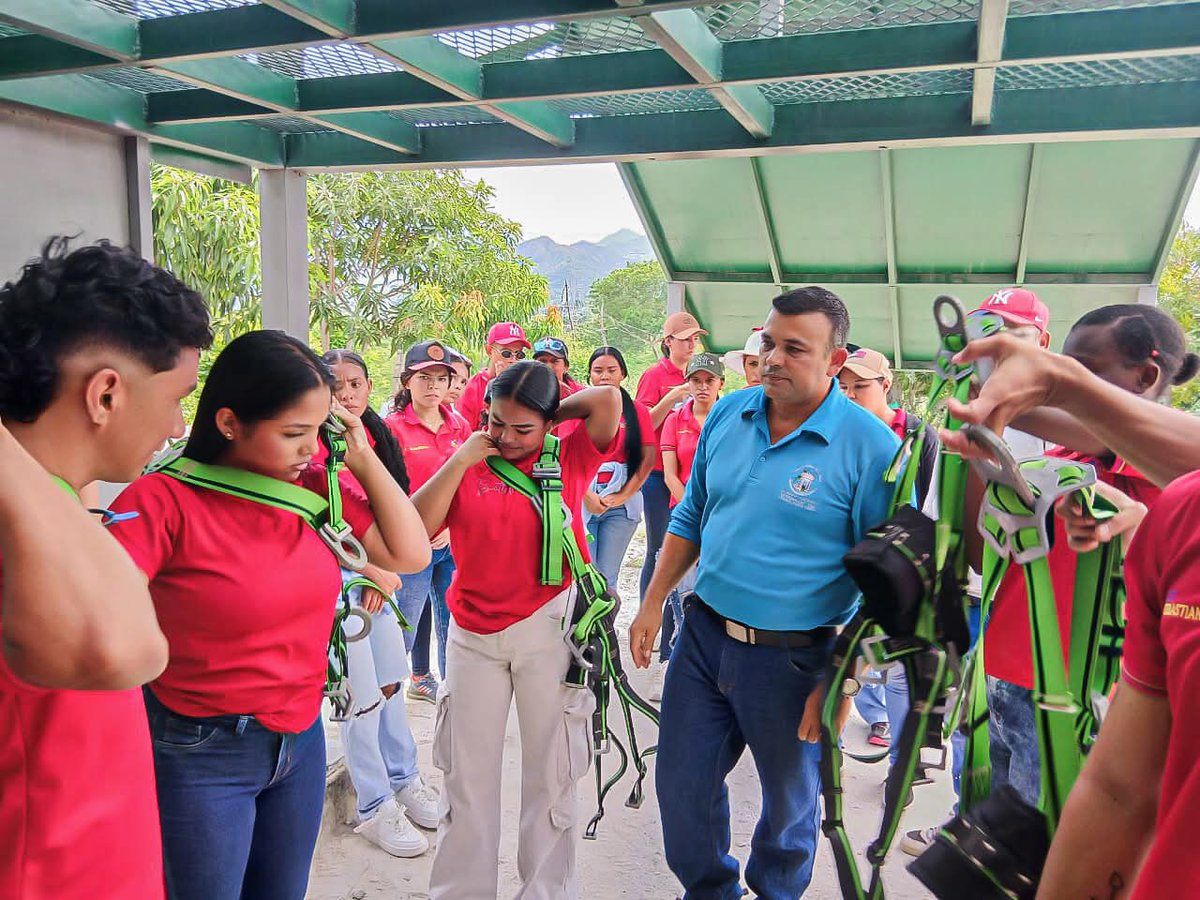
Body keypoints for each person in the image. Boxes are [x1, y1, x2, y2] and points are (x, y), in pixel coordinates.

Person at [107, 331, 431, 900]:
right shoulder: (161, 501)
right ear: (230, 422)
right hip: (200, 748)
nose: (310, 448)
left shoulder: (312, 492)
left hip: (299, 741)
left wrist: (360, 454)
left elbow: (410, 553)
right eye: (292, 433)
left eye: (317, 431)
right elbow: (103, 623)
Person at [629, 287, 899, 899]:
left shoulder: (871, 448)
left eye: (794, 348)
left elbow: (884, 583)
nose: (774, 358)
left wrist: (844, 679)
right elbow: (692, 514)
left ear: (835, 360)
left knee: (789, 809)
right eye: (769, 344)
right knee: (682, 789)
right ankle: (710, 890)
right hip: (703, 638)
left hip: (797, 660)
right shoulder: (730, 413)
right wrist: (652, 602)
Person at [0, 237, 212, 899]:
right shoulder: (19, 523)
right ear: (106, 395)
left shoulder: (48, 497)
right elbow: (131, 651)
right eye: (176, 397)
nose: (177, 426)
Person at [412, 360, 621, 900]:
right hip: (472, 637)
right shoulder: (468, 457)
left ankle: (546, 891)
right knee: (465, 777)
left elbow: (607, 400)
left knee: (552, 775)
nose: (505, 437)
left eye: (522, 428)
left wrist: (548, 412)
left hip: (549, 630)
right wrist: (462, 458)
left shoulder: (569, 454)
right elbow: (415, 530)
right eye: (496, 422)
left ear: (550, 424)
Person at [323, 348, 441, 855]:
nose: (346, 394)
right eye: (335, 385)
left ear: (370, 387)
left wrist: (381, 570)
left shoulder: (374, 436)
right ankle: (373, 805)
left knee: (391, 684)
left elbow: (395, 510)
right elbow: (322, 523)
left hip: (380, 579)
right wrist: (370, 570)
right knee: (361, 695)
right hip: (340, 584)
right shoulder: (313, 446)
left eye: (355, 384)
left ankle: (403, 777)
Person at [382, 340, 471, 701]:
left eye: (441, 378)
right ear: (407, 382)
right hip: (410, 547)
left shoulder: (460, 426)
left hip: (451, 543)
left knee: (453, 623)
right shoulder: (391, 429)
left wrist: (451, 528)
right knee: (403, 626)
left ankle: (454, 696)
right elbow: (384, 491)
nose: (433, 386)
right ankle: (382, 702)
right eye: (424, 378)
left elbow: (468, 483)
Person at [651, 351, 724, 700]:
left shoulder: (731, 417)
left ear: (720, 383)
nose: (702, 387)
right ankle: (677, 664)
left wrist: (713, 514)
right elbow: (670, 473)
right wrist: (693, 510)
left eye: (709, 381)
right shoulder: (675, 419)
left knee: (714, 594)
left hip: (722, 517)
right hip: (684, 515)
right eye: (696, 380)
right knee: (683, 594)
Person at [636, 310, 705, 666]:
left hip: (689, 479)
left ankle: (672, 636)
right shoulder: (655, 375)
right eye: (685, 339)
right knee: (659, 550)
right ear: (668, 342)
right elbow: (642, 423)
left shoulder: (700, 375)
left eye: (695, 339)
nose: (691, 344)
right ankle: (648, 620)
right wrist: (673, 396)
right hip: (657, 475)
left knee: (686, 552)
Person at [583, 346, 655, 600]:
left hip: (622, 507)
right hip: (584, 500)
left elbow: (647, 460)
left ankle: (604, 624)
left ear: (622, 373)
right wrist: (586, 495)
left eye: (611, 370)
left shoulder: (637, 412)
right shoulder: (578, 409)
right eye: (598, 370)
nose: (605, 376)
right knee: (584, 574)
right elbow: (566, 457)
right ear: (589, 375)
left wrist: (623, 496)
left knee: (607, 576)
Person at [455, 321, 531, 430]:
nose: (513, 360)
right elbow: (463, 433)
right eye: (506, 353)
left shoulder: (526, 385)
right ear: (489, 351)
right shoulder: (473, 387)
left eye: (519, 354)